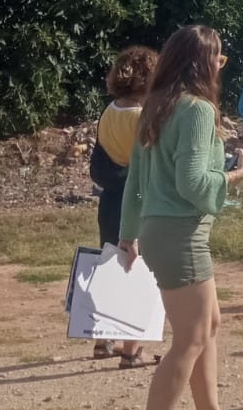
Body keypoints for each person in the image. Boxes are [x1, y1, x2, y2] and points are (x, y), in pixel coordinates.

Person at [119, 26, 243, 410]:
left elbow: (135, 184)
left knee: (208, 327)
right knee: (190, 339)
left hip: (159, 231)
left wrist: (128, 234)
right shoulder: (196, 109)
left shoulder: (156, 107)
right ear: (202, 62)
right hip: (182, 236)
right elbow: (192, 182)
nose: (220, 66)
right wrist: (234, 175)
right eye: (218, 58)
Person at [89, 45, 159, 367]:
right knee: (137, 267)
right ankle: (132, 346)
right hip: (136, 197)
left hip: (109, 197)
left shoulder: (108, 112)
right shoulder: (142, 117)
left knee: (111, 262)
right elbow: (149, 164)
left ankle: (103, 337)